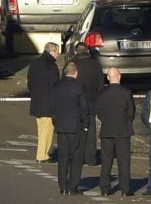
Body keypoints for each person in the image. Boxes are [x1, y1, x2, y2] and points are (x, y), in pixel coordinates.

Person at [51, 61, 89, 195]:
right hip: (76, 126)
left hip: (61, 127)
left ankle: (62, 186)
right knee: (76, 158)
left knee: (63, 158)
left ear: (65, 72)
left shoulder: (57, 87)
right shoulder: (79, 87)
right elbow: (84, 107)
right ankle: (72, 186)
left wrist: (56, 122)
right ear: (76, 73)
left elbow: (53, 107)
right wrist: (85, 124)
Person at [96, 68, 135, 196]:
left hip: (107, 130)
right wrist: (126, 122)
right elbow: (131, 112)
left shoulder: (102, 93)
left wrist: (106, 121)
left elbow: (99, 112)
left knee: (106, 162)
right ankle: (125, 189)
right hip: (123, 130)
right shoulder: (126, 92)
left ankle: (105, 188)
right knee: (123, 162)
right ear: (119, 76)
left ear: (108, 78)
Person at [27, 41, 60, 163]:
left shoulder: (34, 63)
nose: (58, 54)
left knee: (41, 130)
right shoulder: (52, 66)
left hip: (36, 101)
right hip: (48, 104)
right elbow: (55, 86)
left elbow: (30, 82)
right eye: (57, 51)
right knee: (47, 131)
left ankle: (42, 153)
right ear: (52, 51)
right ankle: (42, 155)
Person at [72, 41, 104, 165]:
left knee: (76, 130)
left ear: (76, 51)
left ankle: (77, 157)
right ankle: (90, 157)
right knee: (91, 131)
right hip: (91, 101)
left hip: (75, 102)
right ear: (88, 51)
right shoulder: (95, 65)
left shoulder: (72, 64)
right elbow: (100, 85)